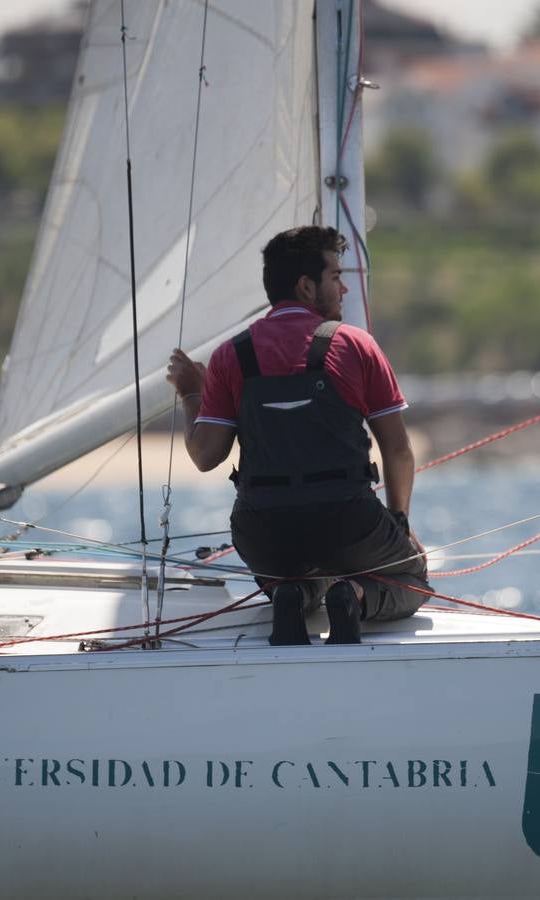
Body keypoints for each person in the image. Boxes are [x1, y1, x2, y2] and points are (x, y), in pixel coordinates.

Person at [165, 225, 429, 645]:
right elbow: (397, 449)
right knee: (413, 572)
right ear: (307, 286)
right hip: (347, 520)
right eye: (335, 277)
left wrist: (191, 393)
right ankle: (355, 597)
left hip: (265, 530)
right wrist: (399, 523)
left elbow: (205, 456)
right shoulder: (356, 345)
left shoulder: (230, 354)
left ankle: (290, 594)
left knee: (292, 570)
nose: (343, 289)